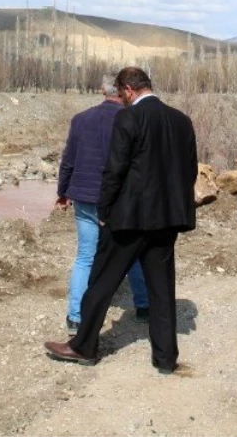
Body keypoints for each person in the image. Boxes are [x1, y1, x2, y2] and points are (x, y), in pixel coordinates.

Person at [44, 66, 198, 374]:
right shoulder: (181, 121)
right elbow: (190, 170)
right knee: (162, 289)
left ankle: (83, 347)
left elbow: (114, 171)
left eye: (122, 93)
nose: (122, 98)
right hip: (167, 221)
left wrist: (104, 212)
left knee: (101, 282)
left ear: (128, 89)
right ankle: (165, 359)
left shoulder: (128, 118)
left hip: (129, 220)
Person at [55, 76, 150, 336]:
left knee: (85, 256)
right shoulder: (132, 119)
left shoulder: (81, 119)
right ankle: (143, 306)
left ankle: (76, 317)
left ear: (102, 91)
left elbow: (68, 160)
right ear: (123, 92)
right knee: (129, 254)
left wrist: (62, 192)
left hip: (85, 196)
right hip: (120, 199)